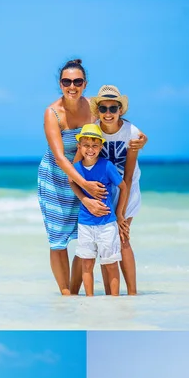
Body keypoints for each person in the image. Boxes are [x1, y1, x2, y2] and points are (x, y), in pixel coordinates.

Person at [38, 59, 146, 295]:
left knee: (82, 237)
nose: (72, 86)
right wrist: (84, 185)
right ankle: (65, 294)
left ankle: (77, 293)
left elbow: (115, 125)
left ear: (85, 83)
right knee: (58, 238)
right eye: (67, 81)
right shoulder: (52, 113)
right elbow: (60, 158)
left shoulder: (93, 108)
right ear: (60, 83)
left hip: (87, 176)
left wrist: (140, 140)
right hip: (58, 178)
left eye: (77, 81)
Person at [90, 85, 143, 295]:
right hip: (105, 191)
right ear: (98, 111)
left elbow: (128, 176)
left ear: (121, 110)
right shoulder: (94, 129)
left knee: (122, 237)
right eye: (103, 109)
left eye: (113, 108)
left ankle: (132, 293)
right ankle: (110, 295)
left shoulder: (131, 132)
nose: (108, 113)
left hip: (127, 188)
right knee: (105, 241)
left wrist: (120, 212)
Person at [73, 124, 128, 296]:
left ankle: (114, 301)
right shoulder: (76, 169)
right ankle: (89, 301)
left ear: (101, 147)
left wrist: (119, 214)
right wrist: (85, 199)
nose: (90, 149)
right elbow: (71, 182)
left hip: (107, 224)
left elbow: (123, 187)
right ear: (79, 147)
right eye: (86, 145)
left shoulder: (107, 166)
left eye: (95, 146)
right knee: (87, 265)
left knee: (111, 264)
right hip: (85, 224)